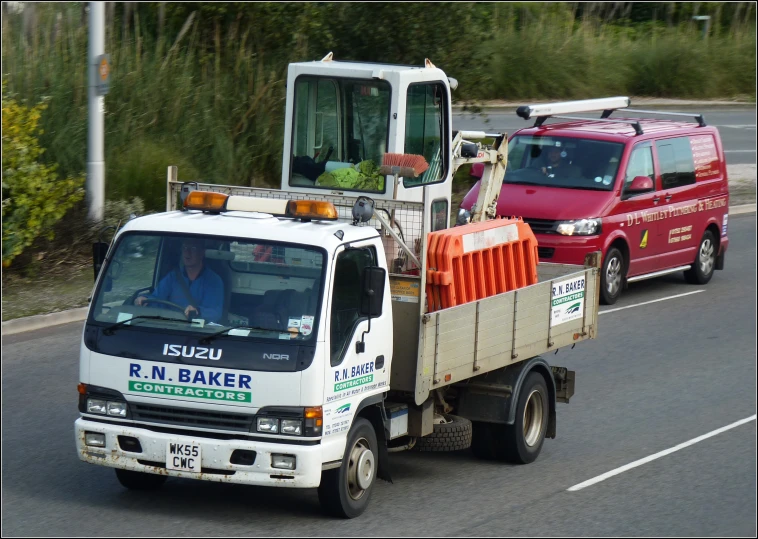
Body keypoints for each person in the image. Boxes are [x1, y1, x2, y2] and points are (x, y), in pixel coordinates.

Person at [135, 238, 224, 323]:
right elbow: (157, 298)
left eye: (193, 248)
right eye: (184, 248)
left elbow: (215, 312)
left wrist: (197, 311)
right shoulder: (173, 277)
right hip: (170, 326)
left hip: (197, 329)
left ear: (202, 253)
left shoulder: (214, 281)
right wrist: (145, 299)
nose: (187, 252)